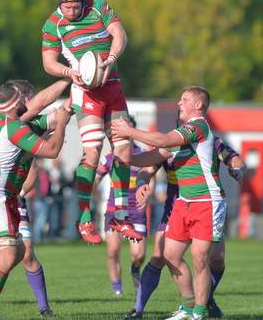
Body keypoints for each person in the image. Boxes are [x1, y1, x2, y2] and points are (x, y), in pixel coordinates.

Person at [111, 86, 228, 319]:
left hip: (207, 201)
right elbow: (153, 157)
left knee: (200, 258)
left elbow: (163, 139)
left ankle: (199, 313)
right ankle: (188, 307)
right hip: (184, 203)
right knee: (170, 254)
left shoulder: (198, 127)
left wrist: (130, 131)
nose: (179, 103)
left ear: (199, 105)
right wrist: (127, 159)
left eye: (184, 99)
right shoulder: (180, 135)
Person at [42, 0, 142, 244]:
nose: (71, 11)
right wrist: (68, 72)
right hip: (85, 92)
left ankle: (121, 215)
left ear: (82, 1)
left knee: (123, 149)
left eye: (75, 6)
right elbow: (48, 62)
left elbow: (120, 35)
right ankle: (84, 217)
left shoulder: (98, 6)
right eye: (66, 6)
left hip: (112, 87)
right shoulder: (54, 23)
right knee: (94, 150)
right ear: (59, 3)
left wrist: (110, 59)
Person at [0, 82, 70, 319]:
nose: (27, 102)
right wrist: (61, 125)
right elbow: (51, 151)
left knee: (19, 251)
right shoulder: (13, 128)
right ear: (16, 102)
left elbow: (55, 113)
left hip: (0, 196)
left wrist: (79, 91)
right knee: (5, 255)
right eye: (23, 98)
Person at [123, 135, 247, 319]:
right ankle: (138, 310)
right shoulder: (170, 142)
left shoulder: (210, 141)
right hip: (175, 208)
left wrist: (237, 169)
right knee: (159, 256)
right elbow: (146, 169)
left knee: (217, 258)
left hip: (206, 207)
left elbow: (235, 159)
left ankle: (205, 300)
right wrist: (142, 183)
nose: (181, 108)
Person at [94, 115, 155, 296]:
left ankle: (135, 269)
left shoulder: (143, 154)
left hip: (136, 210)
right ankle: (117, 288)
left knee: (139, 255)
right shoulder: (109, 157)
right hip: (114, 210)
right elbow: (96, 179)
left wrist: (147, 196)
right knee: (113, 251)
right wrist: (90, 193)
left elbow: (151, 178)